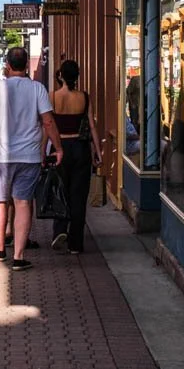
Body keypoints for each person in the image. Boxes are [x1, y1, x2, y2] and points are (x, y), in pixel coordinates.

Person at [0, 46, 63, 271]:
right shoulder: (38, 89)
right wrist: (57, 147)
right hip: (28, 157)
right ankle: (18, 256)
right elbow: (48, 121)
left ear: (7, 65)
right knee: (23, 203)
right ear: (27, 65)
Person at [50, 60, 103, 255]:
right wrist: (97, 152)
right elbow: (92, 127)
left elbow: (46, 127)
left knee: (60, 191)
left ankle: (60, 229)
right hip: (80, 149)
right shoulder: (84, 98)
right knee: (78, 196)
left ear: (61, 76)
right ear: (77, 77)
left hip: (59, 148)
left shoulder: (53, 97)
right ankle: (76, 243)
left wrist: (41, 154)